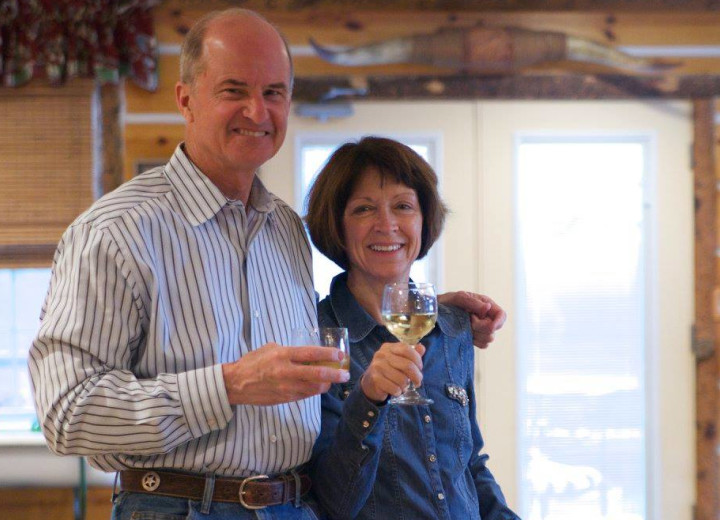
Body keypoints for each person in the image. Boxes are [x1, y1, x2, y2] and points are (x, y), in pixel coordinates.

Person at [28, 8, 505, 520]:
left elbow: (334, 325)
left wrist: (423, 313)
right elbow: (66, 414)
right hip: (181, 507)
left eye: (273, 92)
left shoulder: (284, 229)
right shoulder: (115, 231)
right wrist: (228, 384)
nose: (257, 112)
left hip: (294, 507)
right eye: (234, 90)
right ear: (186, 99)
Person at [305, 136, 518, 519]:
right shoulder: (315, 336)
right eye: (363, 209)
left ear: (424, 219)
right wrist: (367, 401)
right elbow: (334, 502)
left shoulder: (454, 328)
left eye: (403, 206)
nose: (386, 225)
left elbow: (469, 466)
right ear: (337, 225)